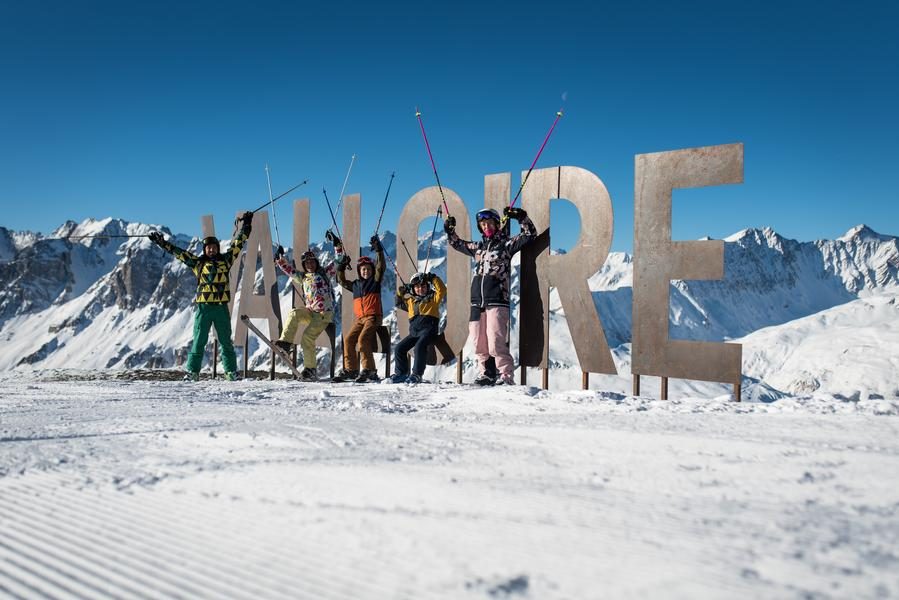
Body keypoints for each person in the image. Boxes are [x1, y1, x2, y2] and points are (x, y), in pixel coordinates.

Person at [148, 212, 253, 381]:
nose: (211, 250)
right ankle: (192, 372)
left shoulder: (226, 260)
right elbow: (179, 253)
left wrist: (247, 224)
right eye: (208, 247)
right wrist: (162, 243)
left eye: (213, 247)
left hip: (220, 307)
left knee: (226, 341)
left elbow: (239, 243)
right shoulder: (198, 263)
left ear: (217, 248)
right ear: (204, 249)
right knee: (199, 340)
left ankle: (231, 371)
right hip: (203, 308)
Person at [444, 206, 536, 385]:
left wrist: (522, 217)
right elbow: (457, 243)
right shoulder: (478, 248)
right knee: (478, 342)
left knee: (496, 341)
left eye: (489, 223)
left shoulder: (506, 245)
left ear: (497, 224)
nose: (486, 226)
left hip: (497, 300)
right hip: (477, 302)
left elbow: (530, 234)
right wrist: (449, 230)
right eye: (483, 224)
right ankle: (486, 373)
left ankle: (505, 376)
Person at [273, 248, 337, 381]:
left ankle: (311, 369)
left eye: (312, 262)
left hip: (324, 313)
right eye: (307, 263)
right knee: (294, 313)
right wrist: (279, 259)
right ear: (304, 265)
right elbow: (289, 271)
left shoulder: (324, 273)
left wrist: (337, 245)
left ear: (316, 262)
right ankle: (286, 342)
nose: (310, 265)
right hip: (311, 312)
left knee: (307, 337)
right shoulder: (302, 277)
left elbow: (339, 261)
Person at [332, 233, 386, 383]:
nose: (366, 272)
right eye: (363, 269)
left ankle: (370, 370)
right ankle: (351, 370)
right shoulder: (355, 285)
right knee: (348, 340)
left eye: (368, 269)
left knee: (362, 340)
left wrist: (379, 251)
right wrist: (341, 267)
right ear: (359, 271)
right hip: (360, 319)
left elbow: (381, 268)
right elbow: (341, 281)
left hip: (373, 317)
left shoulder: (375, 281)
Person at [389, 272, 446, 384]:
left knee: (419, 347)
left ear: (428, 286)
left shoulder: (433, 298)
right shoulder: (411, 301)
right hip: (415, 332)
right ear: (413, 289)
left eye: (423, 286)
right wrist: (401, 293)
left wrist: (433, 278)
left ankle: (416, 375)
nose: (420, 289)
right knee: (399, 348)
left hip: (429, 330)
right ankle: (401, 373)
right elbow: (398, 303)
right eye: (417, 287)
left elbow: (442, 290)